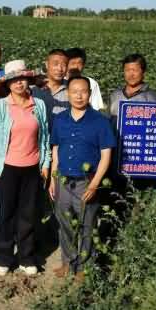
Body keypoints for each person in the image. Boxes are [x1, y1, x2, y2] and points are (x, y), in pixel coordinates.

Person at [0, 60, 51, 276]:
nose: (19, 83)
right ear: (7, 84)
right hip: (7, 168)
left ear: (28, 81)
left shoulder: (38, 105)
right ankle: (4, 256)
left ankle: (26, 257)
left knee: (28, 214)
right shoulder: (0, 106)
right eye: (14, 80)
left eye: (22, 79)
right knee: (6, 214)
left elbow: (45, 137)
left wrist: (46, 162)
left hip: (32, 168)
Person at [48, 75, 116, 280]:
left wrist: (94, 184)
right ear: (68, 94)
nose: (79, 96)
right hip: (63, 180)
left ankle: (84, 268)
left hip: (86, 182)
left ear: (90, 94)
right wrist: (52, 178)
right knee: (65, 224)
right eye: (74, 91)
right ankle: (68, 262)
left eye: (83, 91)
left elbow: (106, 155)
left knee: (87, 225)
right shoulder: (60, 120)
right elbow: (56, 150)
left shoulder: (100, 122)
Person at [108, 53, 156, 130]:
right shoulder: (114, 95)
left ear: (143, 72)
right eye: (127, 70)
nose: (131, 74)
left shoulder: (151, 97)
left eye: (135, 70)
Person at [32, 48, 70, 127]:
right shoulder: (33, 88)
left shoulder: (71, 89)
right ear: (46, 64)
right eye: (55, 64)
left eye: (64, 65)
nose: (60, 69)